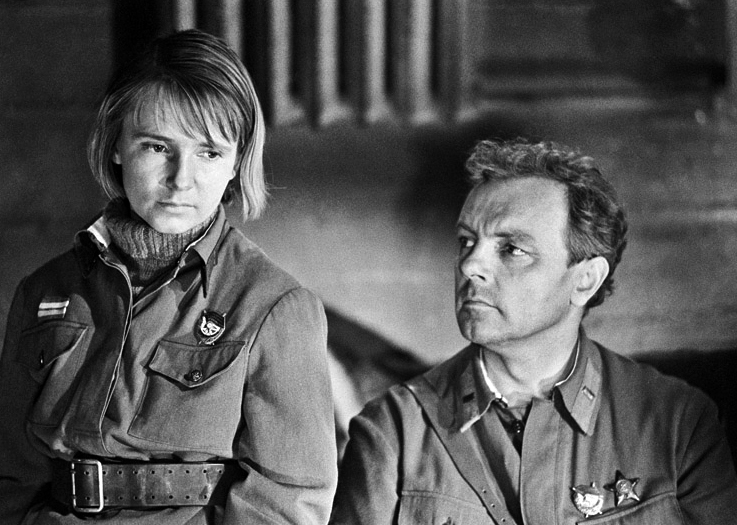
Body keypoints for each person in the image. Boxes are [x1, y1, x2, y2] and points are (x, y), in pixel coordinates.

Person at [0, 29, 337, 524]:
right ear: (117, 146)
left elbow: (288, 501)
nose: (181, 180)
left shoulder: (274, 306)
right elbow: (11, 479)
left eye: (209, 153)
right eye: (158, 147)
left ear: (236, 163)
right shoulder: (44, 292)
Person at [330, 139, 737, 524]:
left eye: (512, 249)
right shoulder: (393, 433)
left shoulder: (678, 425)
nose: (470, 265)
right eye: (466, 241)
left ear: (585, 280)